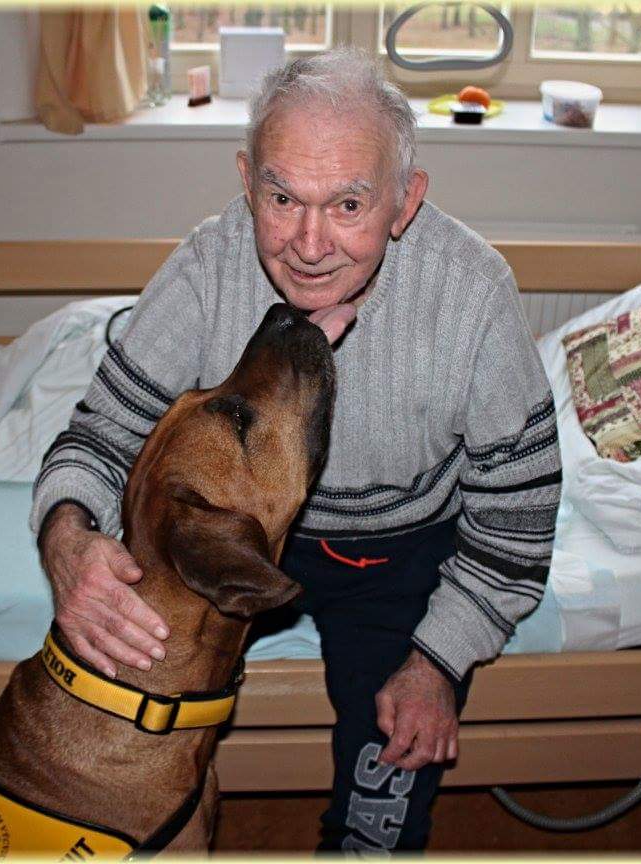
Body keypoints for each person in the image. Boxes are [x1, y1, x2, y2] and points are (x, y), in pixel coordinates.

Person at [30, 47, 561, 852]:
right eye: (282, 199)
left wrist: (439, 662)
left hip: (392, 556)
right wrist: (67, 539)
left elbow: (515, 528)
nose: (310, 245)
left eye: (348, 204)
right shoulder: (207, 266)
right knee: (106, 682)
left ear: (405, 202)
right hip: (228, 538)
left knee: (389, 772)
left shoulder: (471, 298)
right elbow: (102, 434)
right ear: (248, 184)